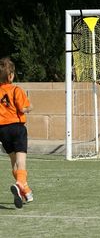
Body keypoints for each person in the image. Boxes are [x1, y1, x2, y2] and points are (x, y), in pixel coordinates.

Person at [0, 57, 33, 208]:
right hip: (17, 128)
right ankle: (20, 184)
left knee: (13, 161)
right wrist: (30, 107)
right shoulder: (16, 90)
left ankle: (26, 190)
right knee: (21, 161)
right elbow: (23, 108)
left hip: (2, 130)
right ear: (11, 75)